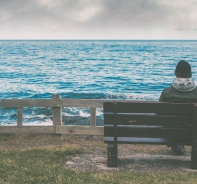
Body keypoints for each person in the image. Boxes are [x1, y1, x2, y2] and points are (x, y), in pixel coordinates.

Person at [159, 60, 197, 155]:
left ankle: (176, 143)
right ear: (190, 74)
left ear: (175, 74)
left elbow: (158, 112)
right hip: (193, 132)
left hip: (172, 132)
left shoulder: (167, 92)